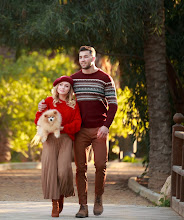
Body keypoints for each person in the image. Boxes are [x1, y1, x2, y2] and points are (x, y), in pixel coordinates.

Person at [39, 46, 118, 218]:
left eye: (85, 57)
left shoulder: (105, 79)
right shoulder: (74, 79)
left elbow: (113, 104)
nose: (82, 60)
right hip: (80, 131)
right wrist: (43, 106)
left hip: (99, 129)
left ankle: (98, 198)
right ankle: (83, 206)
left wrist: (106, 126)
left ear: (93, 58)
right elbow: (60, 96)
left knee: (100, 165)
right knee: (80, 168)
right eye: (80, 57)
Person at [35, 76, 82, 218]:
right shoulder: (48, 101)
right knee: (50, 170)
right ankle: (54, 203)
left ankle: (61, 195)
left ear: (70, 89)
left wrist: (63, 127)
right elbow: (38, 119)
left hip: (66, 138)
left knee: (63, 170)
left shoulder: (74, 104)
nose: (63, 88)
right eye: (60, 85)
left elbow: (77, 123)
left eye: (66, 86)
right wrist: (42, 115)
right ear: (56, 87)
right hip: (49, 139)